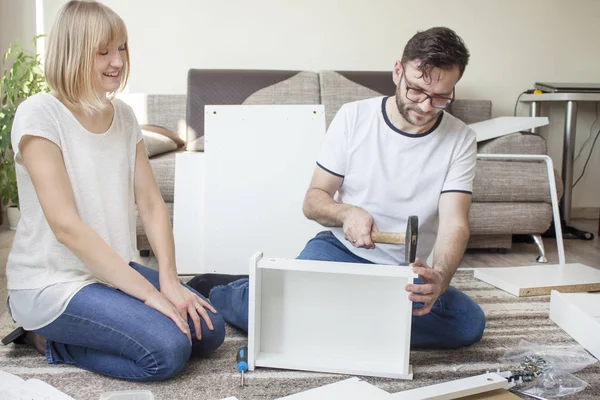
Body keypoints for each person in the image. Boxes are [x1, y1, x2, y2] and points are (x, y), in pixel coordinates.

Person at [190, 26, 485, 349]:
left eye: (441, 96)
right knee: (261, 312)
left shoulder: (460, 139)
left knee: (466, 324)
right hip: (338, 252)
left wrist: (439, 278)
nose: (427, 106)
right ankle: (227, 290)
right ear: (398, 71)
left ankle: (327, 314)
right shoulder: (354, 117)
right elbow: (313, 200)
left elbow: (455, 223)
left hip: (401, 274)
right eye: (416, 91)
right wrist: (346, 213)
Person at [1, 0, 224, 381]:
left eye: (121, 48)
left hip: (113, 271)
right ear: (72, 53)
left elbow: (151, 204)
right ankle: (45, 339)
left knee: (208, 330)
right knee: (166, 350)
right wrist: (150, 295)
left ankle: (117, 315)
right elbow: (65, 226)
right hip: (53, 282)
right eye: (103, 51)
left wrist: (169, 280)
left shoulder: (122, 115)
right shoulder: (39, 113)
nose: (117, 61)